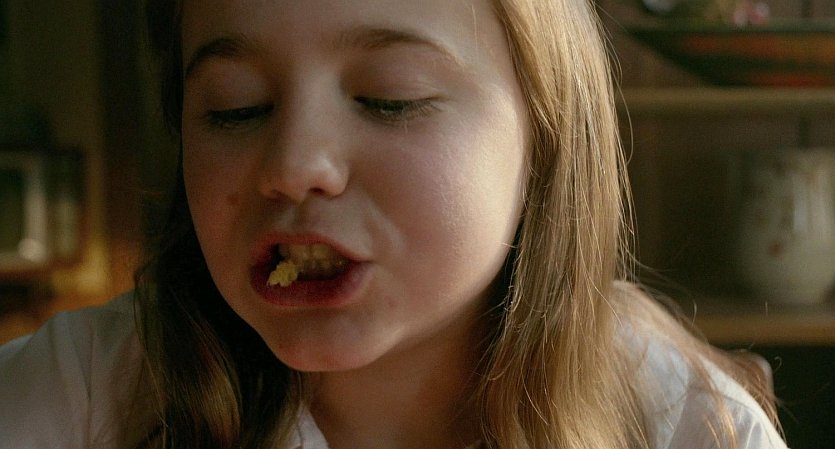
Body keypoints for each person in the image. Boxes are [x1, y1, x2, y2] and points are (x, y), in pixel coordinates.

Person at [0, 0, 787, 448]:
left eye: (390, 97)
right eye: (235, 107)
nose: (293, 165)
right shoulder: (77, 394)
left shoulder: (685, 424)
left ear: (544, 138)